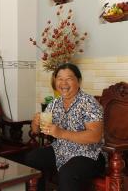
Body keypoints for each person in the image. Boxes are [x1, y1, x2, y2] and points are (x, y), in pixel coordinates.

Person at [24, 63, 105, 191]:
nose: (63, 83)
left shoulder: (89, 103)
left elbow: (95, 136)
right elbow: (36, 131)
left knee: (68, 173)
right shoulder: (55, 103)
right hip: (61, 150)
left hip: (89, 155)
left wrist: (61, 133)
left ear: (78, 81)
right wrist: (35, 123)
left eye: (69, 79)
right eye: (60, 79)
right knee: (32, 159)